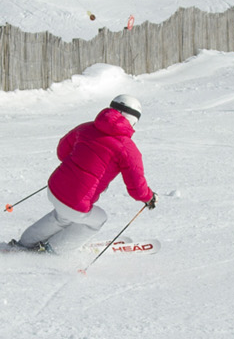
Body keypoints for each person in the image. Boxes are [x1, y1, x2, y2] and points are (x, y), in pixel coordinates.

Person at [10, 95, 156, 254]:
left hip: (55, 188)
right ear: (133, 120)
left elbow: (62, 152)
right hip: (76, 202)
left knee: (62, 217)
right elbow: (136, 186)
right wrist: (148, 197)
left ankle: (25, 243)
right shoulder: (127, 148)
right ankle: (52, 250)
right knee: (97, 220)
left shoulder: (86, 127)